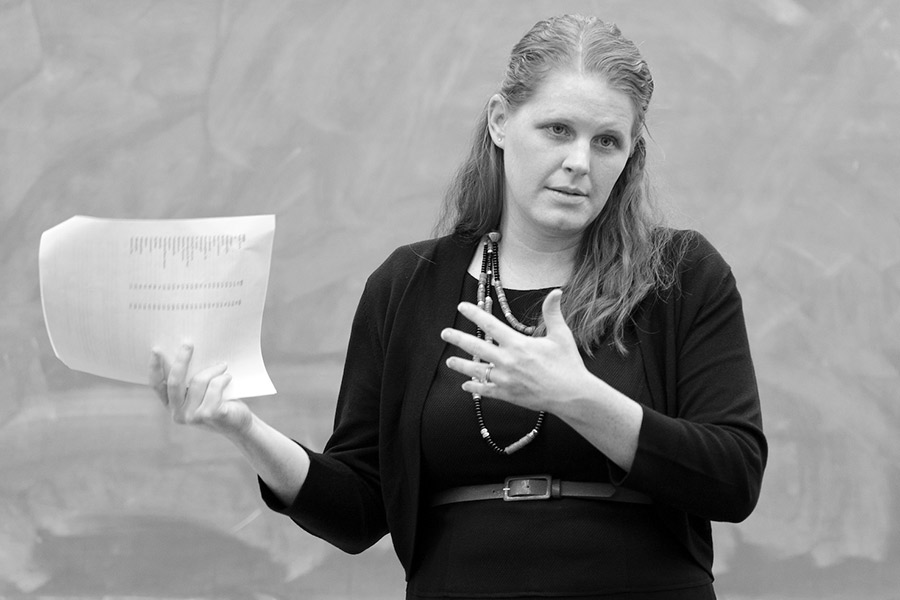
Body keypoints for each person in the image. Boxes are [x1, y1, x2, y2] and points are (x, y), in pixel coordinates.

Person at [149, 14, 766, 599]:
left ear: (629, 154)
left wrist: (577, 396)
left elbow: (733, 477)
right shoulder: (409, 284)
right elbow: (359, 509)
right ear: (501, 121)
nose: (580, 161)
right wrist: (242, 427)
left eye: (607, 140)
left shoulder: (680, 275)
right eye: (558, 130)